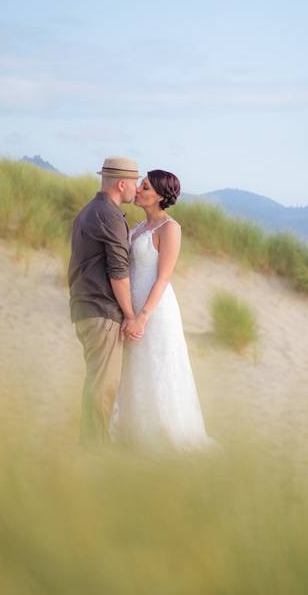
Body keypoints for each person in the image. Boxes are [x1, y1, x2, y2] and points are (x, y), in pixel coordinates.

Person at [109, 169, 219, 453]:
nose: (139, 190)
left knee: (158, 368)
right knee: (134, 368)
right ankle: (132, 433)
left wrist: (143, 316)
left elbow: (163, 277)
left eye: (144, 187)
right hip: (131, 307)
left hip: (155, 310)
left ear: (158, 195)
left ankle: (162, 436)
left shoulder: (170, 229)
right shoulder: (137, 228)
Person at [68, 157, 139, 445]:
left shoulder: (89, 210)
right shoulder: (109, 215)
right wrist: (131, 315)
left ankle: (90, 443)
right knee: (104, 385)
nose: (136, 188)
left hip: (85, 307)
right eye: (134, 182)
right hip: (101, 309)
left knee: (96, 380)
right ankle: (94, 450)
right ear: (122, 184)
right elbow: (119, 273)